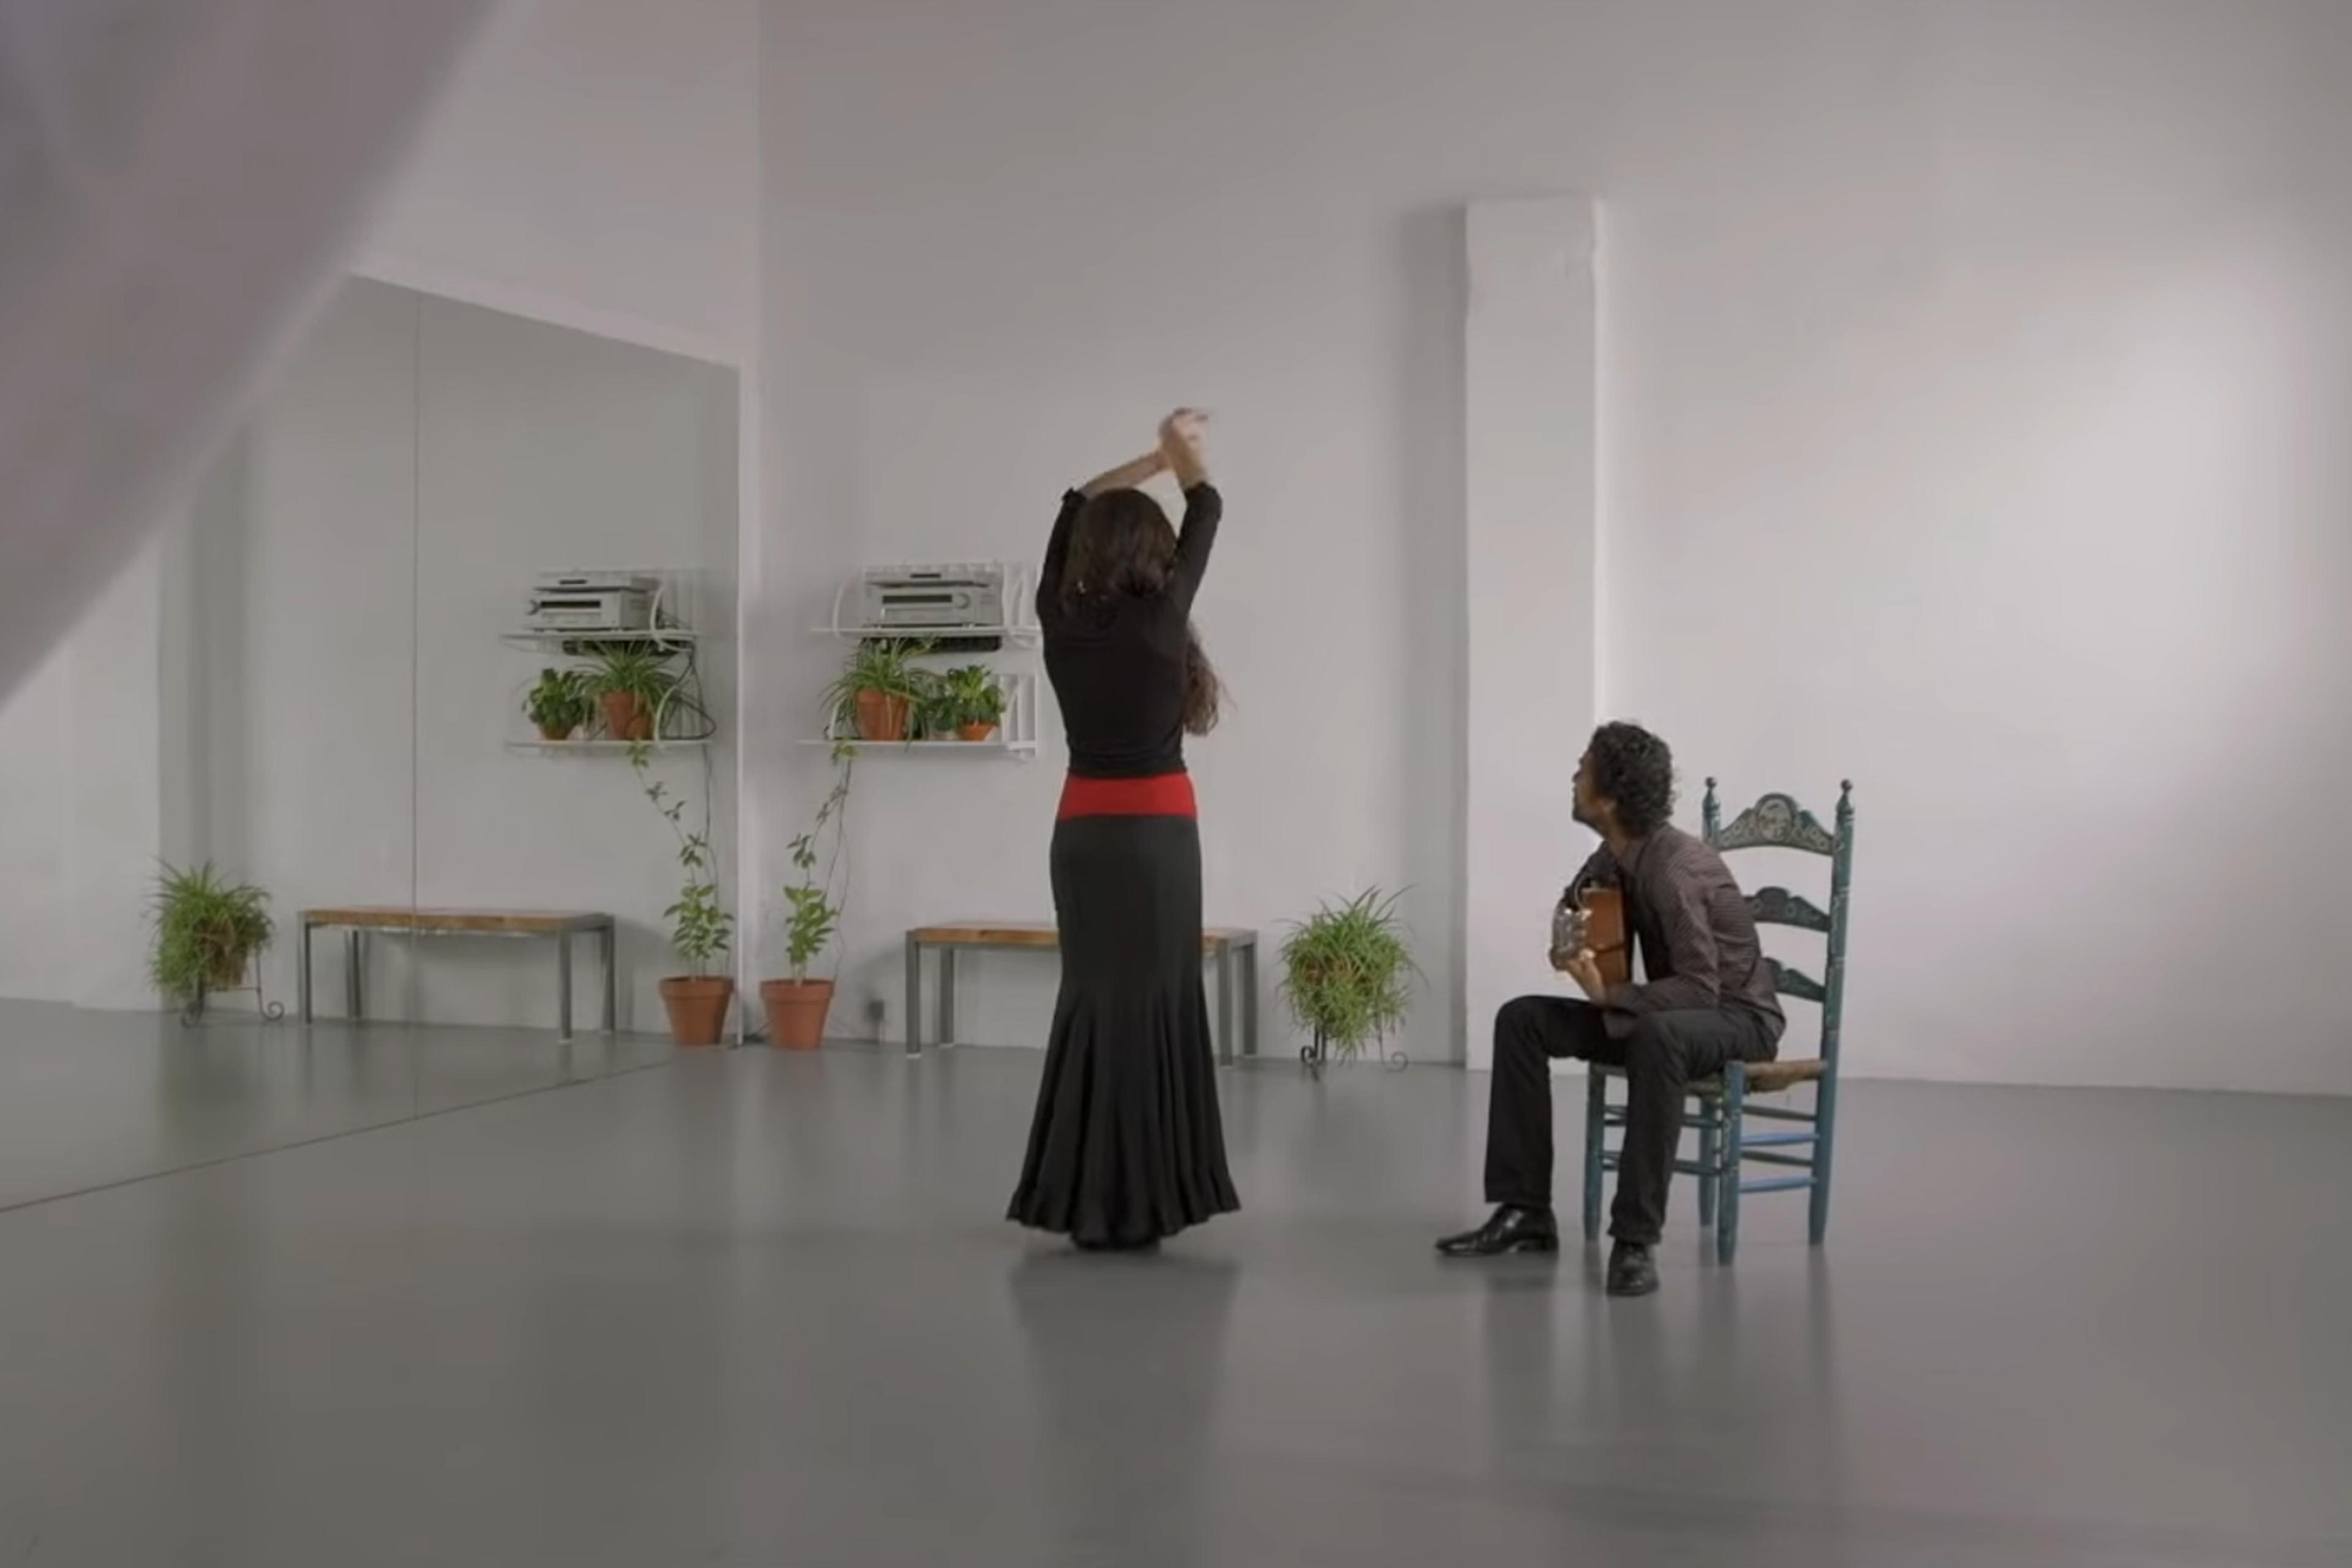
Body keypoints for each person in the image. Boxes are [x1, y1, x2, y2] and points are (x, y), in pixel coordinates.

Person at [1436, 722, 1783, 1296]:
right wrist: (1568, 940)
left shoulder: (1674, 870)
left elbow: (1700, 990)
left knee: (1659, 1038)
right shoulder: (1615, 852)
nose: (1574, 777)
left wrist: (1609, 995)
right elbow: (1574, 905)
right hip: (1663, 1015)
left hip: (1738, 1018)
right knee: (1523, 1019)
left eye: (1584, 769)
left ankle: (1635, 1241)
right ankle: (1525, 1212)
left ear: (1612, 795)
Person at [1007, 409, 1241, 1251]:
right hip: (1159, 836)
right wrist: (1185, 456)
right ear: (1154, 554)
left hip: (1082, 835)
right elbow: (1208, 507)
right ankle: (1154, 1199)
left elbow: (1073, 502)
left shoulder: (1058, 618)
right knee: (1160, 1001)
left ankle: (1083, 1199)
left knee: (1093, 1000)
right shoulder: (1162, 620)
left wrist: (1149, 463)